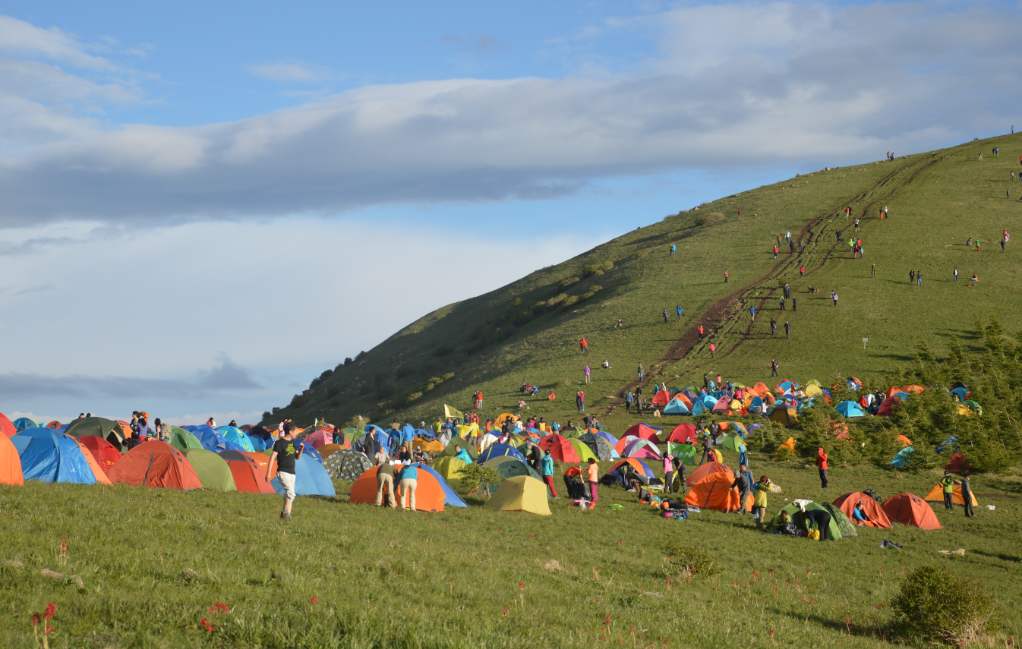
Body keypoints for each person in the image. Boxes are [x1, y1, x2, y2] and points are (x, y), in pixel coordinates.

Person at [266, 423, 303, 521]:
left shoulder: (292, 444)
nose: (296, 433)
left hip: (292, 473)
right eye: (295, 431)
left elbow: (297, 457)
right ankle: (286, 514)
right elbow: (272, 457)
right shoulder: (280, 443)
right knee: (291, 493)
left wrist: (301, 449)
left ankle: (285, 515)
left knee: (289, 494)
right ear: (290, 432)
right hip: (283, 472)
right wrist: (268, 473)